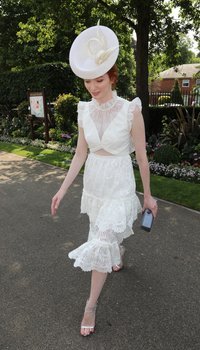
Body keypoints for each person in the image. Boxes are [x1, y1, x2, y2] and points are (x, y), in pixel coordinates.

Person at [51, 23, 158, 337]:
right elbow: (80, 154)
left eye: (98, 79)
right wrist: (62, 188)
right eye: (87, 80)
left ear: (112, 76)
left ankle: (91, 304)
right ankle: (118, 252)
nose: (92, 86)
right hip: (95, 184)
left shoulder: (130, 110)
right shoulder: (84, 111)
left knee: (100, 241)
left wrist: (148, 195)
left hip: (119, 181)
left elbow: (141, 157)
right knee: (104, 233)